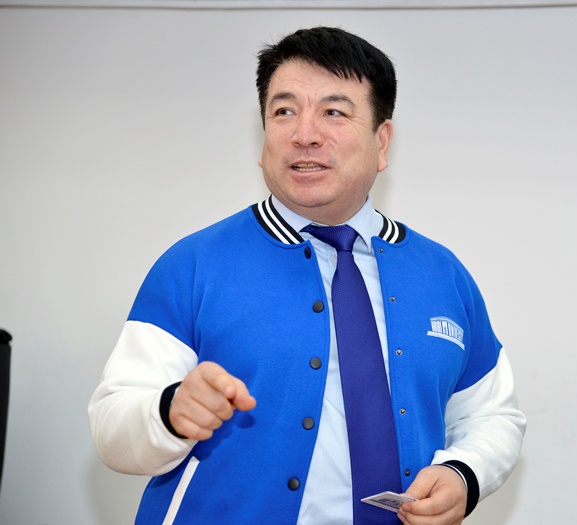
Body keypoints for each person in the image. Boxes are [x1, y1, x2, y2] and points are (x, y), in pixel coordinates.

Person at [88, 26, 526, 525]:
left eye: (334, 112)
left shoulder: (442, 274)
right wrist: (169, 412)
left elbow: (492, 414)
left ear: (382, 141)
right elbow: (111, 424)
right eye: (284, 111)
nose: (304, 134)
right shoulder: (192, 265)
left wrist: (464, 474)